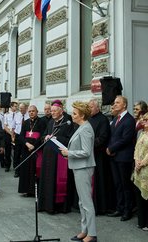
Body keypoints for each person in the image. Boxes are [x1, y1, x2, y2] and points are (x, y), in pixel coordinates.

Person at [61, 101, 97, 242]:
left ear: (82, 115)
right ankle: (84, 230)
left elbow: (86, 152)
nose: (72, 115)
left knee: (86, 202)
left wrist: (69, 153)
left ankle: (92, 234)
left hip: (84, 167)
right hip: (78, 167)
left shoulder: (86, 128)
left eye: (75, 113)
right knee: (82, 202)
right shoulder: (81, 127)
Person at [38, 100, 76, 214]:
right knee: (48, 180)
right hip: (48, 156)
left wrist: (56, 139)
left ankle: (59, 207)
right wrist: (45, 137)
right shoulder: (51, 122)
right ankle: (46, 205)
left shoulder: (68, 122)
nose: (52, 113)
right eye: (51, 111)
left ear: (61, 111)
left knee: (57, 181)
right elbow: (43, 135)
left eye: (54, 111)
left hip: (60, 157)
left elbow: (71, 140)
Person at [106, 95, 136, 221]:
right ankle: (119, 208)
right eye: (114, 102)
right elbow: (111, 137)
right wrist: (109, 147)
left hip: (124, 157)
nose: (114, 104)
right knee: (117, 184)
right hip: (114, 157)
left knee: (125, 185)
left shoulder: (129, 120)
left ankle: (127, 211)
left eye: (117, 103)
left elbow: (126, 139)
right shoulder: (115, 119)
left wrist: (112, 149)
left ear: (124, 105)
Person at [87, 98, 114, 215]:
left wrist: (88, 144)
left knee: (99, 181)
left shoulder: (103, 120)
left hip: (99, 155)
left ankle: (100, 207)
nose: (89, 109)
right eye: (88, 107)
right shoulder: (88, 119)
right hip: (89, 154)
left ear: (97, 108)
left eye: (91, 107)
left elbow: (103, 138)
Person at [17, 104, 45, 197]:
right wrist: (27, 144)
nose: (31, 113)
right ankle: (26, 190)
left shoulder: (42, 122)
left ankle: (34, 191)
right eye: (29, 111)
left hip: (37, 150)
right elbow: (21, 136)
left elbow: (42, 136)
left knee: (34, 170)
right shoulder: (25, 122)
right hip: (26, 149)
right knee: (26, 170)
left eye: (33, 111)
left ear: (37, 112)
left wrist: (34, 146)